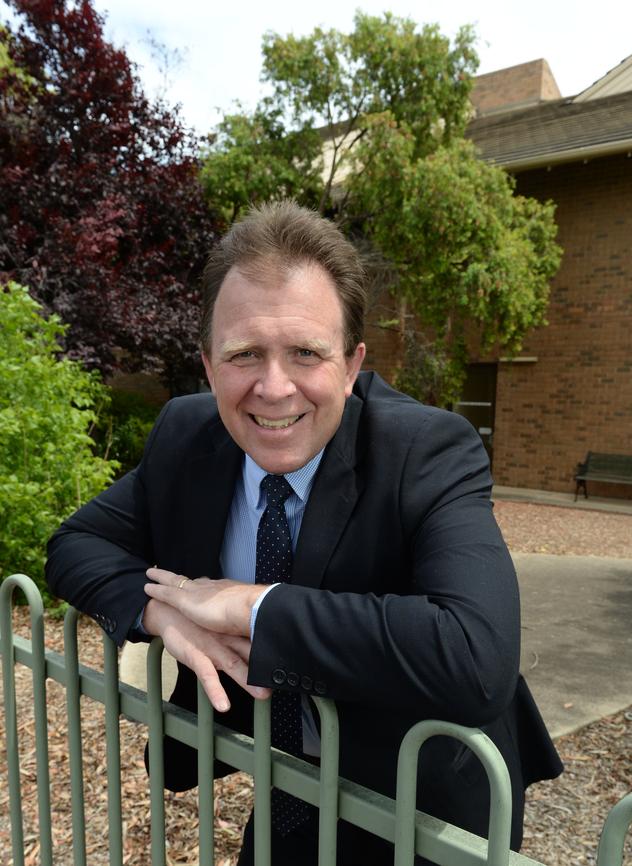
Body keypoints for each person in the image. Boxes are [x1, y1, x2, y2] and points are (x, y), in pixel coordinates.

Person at [46, 201, 562, 865]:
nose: (274, 386)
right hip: (290, 784)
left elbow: (473, 653)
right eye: (244, 353)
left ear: (351, 365)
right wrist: (162, 615)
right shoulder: (187, 436)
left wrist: (247, 606)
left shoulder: (428, 450)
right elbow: (76, 544)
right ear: (208, 365)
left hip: (423, 809)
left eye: (306, 353)